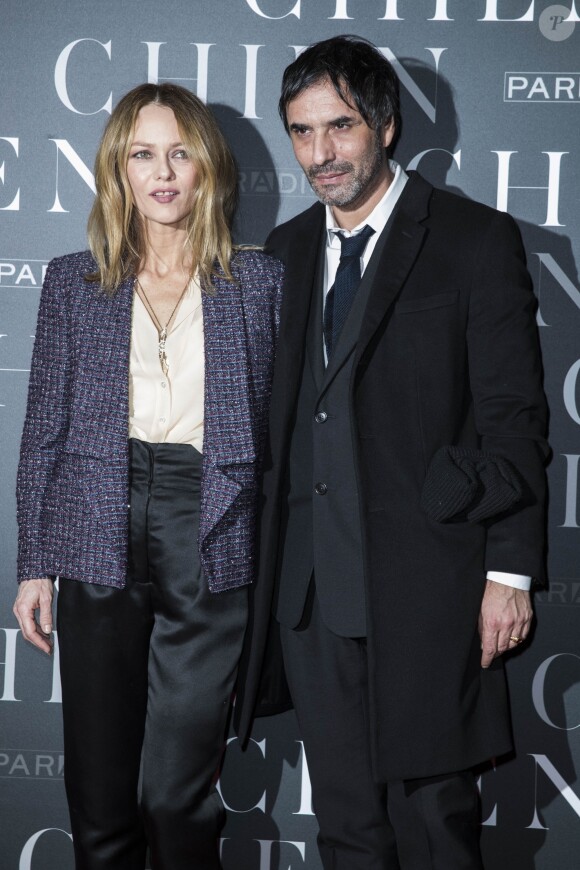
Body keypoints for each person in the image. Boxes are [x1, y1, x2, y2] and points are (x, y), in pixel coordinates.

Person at [235, 35, 548, 870]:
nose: (320, 153)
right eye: (301, 133)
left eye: (339, 127)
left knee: (438, 823)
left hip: (432, 586)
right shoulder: (288, 251)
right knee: (346, 831)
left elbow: (514, 423)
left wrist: (508, 574)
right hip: (310, 596)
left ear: (386, 124)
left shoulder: (475, 241)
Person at [13, 82, 283, 870]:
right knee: (99, 801)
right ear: (116, 169)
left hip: (212, 530)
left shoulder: (259, 282)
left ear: (207, 168)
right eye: (142, 154)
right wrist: (35, 561)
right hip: (96, 525)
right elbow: (43, 432)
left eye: (179, 153)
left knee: (175, 796)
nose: (162, 173)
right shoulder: (73, 281)